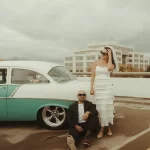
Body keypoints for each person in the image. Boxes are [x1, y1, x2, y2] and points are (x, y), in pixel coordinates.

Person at [90, 46, 119, 138]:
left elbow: (110, 68)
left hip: (107, 88)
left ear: (108, 54)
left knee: (106, 107)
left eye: (105, 53)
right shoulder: (96, 62)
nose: (102, 55)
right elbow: (92, 76)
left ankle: (102, 130)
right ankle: (108, 128)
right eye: (101, 53)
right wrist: (91, 87)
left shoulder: (111, 64)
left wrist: (110, 55)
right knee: (100, 108)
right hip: (98, 88)